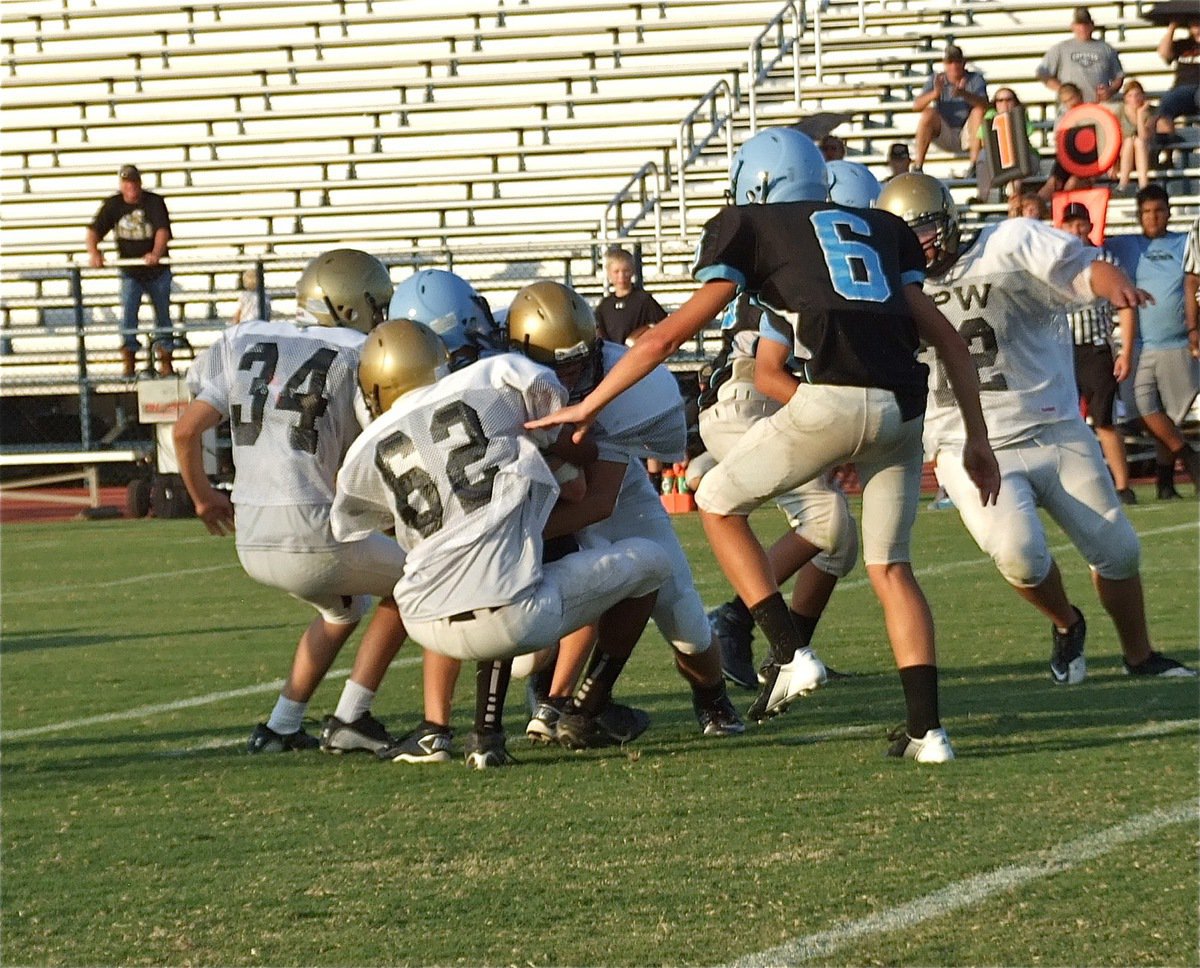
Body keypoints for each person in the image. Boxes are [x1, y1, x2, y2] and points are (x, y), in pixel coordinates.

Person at [528, 127, 1002, 764]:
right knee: (892, 567)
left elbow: (664, 339)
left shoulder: (750, 224)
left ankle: (787, 650)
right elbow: (947, 339)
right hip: (904, 409)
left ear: (758, 183)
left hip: (832, 395)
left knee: (715, 496)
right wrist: (978, 439)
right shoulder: (881, 228)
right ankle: (929, 732)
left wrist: (590, 401)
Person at [879, 172, 1197, 686]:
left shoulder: (1007, 242)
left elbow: (1079, 265)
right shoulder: (888, 284)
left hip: (1053, 425)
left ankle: (1140, 656)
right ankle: (1067, 622)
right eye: (906, 235)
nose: (920, 244)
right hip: (968, 443)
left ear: (951, 218)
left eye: (926, 229)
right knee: (1019, 554)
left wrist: (1109, 282)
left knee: (1119, 552)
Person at [331, 317, 674, 764]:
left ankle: (470, 736)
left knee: (492, 561)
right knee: (652, 561)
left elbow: (361, 520)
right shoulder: (497, 380)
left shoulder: (366, 449)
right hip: (512, 615)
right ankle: (586, 708)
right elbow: (577, 448)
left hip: (424, 618)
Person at [172, 248, 410, 754]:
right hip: (315, 531)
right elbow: (378, 454)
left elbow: (185, 432)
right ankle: (352, 716)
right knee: (421, 583)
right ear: (351, 305)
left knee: (344, 610)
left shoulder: (242, 338)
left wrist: (203, 498)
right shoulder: (357, 352)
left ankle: (281, 725)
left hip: (250, 533)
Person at [503, 281, 744, 741]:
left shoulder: (626, 385)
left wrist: (520, 535)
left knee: (684, 618)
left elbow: (598, 502)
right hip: (539, 499)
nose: (570, 380)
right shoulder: (494, 381)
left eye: (579, 364)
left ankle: (712, 698)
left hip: (613, 498)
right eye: (559, 367)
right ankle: (554, 701)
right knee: (531, 637)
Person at [1105, 184, 1200, 499]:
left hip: (1177, 343)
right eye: (1146, 212)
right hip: (1141, 346)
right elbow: (1089, 249)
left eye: (1158, 210)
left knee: (1168, 418)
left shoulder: (1185, 242)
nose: (1153, 217)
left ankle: (1165, 483)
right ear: (1138, 215)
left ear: (1169, 212)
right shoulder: (1125, 245)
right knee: (1145, 410)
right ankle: (1190, 458)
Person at [1059, 202, 1136, 504]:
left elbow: (1125, 305)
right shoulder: (1054, 261)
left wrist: (1125, 351)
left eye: (1081, 224)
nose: (1076, 230)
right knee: (1062, 422)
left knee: (1104, 419)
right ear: (1062, 227)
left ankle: (1122, 485)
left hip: (1094, 347)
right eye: (1071, 224)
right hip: (1062, 348)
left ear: (1090, 227)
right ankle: (1067, 488)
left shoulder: (1104, 258)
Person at [85, 164, 174, 377]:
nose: (131, 186)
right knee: (128, 316)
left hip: (157, 271)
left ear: (139, 183)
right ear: (121, 184)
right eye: (127, 182)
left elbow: (162, 230)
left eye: (134, 182)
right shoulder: (113, 204)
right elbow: (94, 230)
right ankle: (130, 360)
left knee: (163, 316)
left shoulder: (153, 202)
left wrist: (156, 253)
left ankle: (166, 359)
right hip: (130, 271)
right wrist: (94, 252)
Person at [912, 44, 988, 176]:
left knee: (978, 112)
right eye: (950, 62)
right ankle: (918, 166)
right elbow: (916, 105)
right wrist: (935, 94)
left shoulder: (975, 79)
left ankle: (974, 165)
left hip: (969, 133)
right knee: (928, 113)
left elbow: (985, 105)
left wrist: (964, 94)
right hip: (945, 132)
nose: (954, 66)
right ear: (945, 64)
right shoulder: (937, 80)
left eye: (957, 61)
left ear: (963, 63)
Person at [1036, 7, 1124, 104]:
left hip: (1099, 106)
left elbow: (1118, 76)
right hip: (1070, 108)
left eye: (1086, 24)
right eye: (1079, 25)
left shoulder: (1106, 49)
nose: (1082, 28)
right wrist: (1063, 90)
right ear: (1072, 26)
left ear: (1092, 25)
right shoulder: (1060, 48)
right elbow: (1043, 73)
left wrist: (1110, 91)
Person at [593, 246, 667, 347]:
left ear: (632, 271)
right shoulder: (605, 305)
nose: (621, 276)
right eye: (616, 272)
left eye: (626, 271)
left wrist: (639, 336)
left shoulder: (643, 299)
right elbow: (599, 333)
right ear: (609, 273)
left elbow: (661, 324)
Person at [1036, 83, 1094, 203]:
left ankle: (1060, 210)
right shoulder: (1063, 117)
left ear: (1079, 95)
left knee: (1071, 185)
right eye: (1066, 101)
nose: (1070, 104)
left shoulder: (1092, 113)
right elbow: (1058, 141)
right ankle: (1036, 208)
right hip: (1068, 157)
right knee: (1051, 183)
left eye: (1072, 99)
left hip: (1088, 160)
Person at [1155, 16, 1200, 124]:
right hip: (1182, 89)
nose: (1197, 27)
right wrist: (1172, 28)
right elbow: (1163, 53)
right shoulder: (1183, 44)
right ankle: (1166, 137)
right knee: (1167, 101)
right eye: (1194, 24)